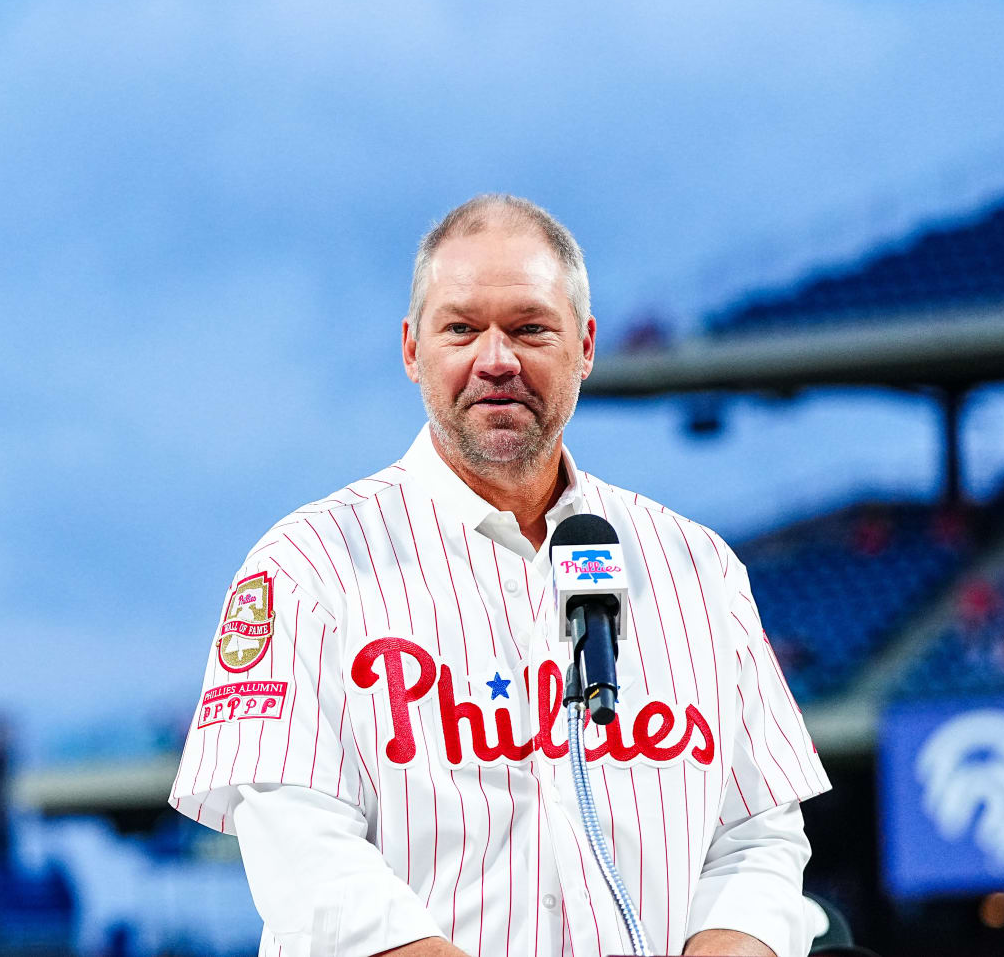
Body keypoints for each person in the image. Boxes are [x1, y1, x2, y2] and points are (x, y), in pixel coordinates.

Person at [169, 195, 830, 957]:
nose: (496, 359)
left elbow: (759, 836)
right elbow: (308, 863)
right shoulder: (307, 566)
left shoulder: (700, 569)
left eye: (529, 328)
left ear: (583, 346)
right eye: (461, 329)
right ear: (412, 349)